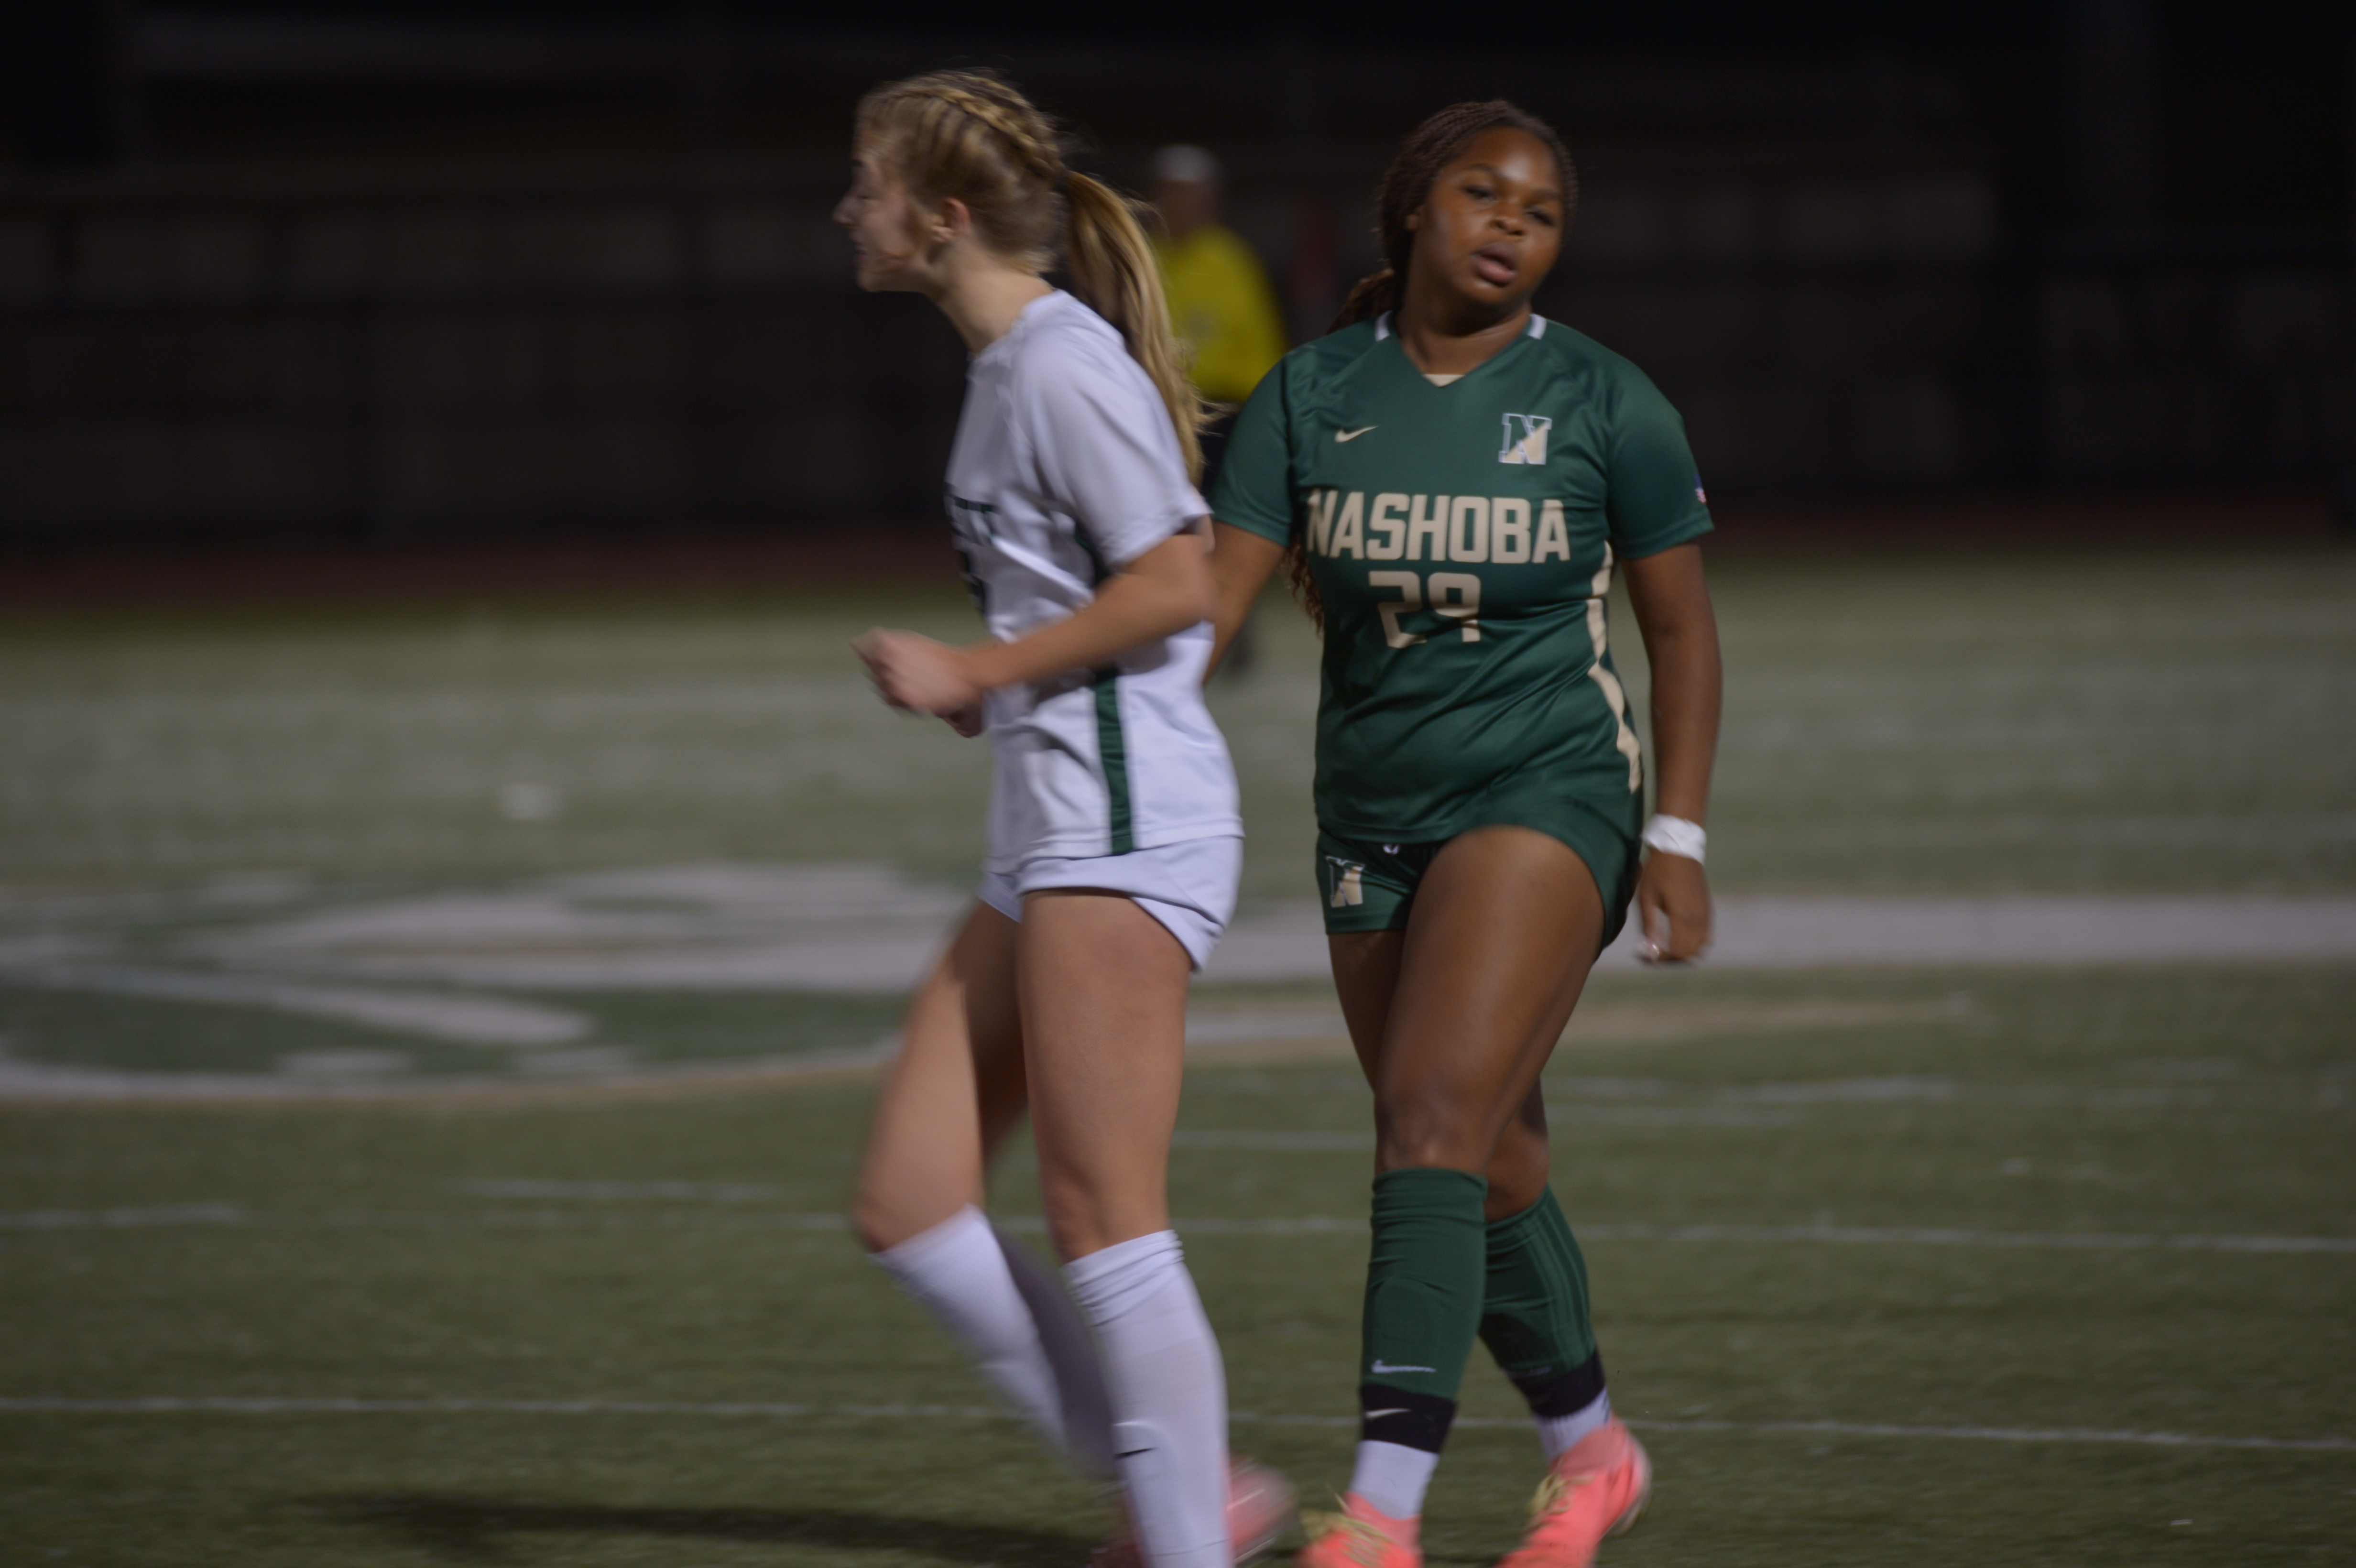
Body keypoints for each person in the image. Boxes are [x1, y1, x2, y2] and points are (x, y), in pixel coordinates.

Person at [1201, 101, 1723, 1568]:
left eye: (1541, 212)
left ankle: (1380, 1515)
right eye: (1484, 194)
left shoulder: (1604, 398)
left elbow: (1682, 633)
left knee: (1426, 1119)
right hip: (1369, 817)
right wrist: (1055, 680)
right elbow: (1206, 614)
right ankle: (1594, 1454)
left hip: (1549, 791)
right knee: (1484, 1163)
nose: (1511, 225)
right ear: (1414, 210)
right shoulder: (1307, 395)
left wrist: (1675, 834)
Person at [833, 69, 1291, 1568]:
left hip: (1122, 826)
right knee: (910, 1203)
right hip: (1048, 825)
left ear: (943, 216)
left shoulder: (1054, 362)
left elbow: (1177, 580)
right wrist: (1009, 683)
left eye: (868, 186)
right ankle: (1195, 1494)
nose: (847, 209)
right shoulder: (1005, 368)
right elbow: (1112, 583)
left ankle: (1187, 1533)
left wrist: (977, 667)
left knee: (1106, 1221)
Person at [1151, 144, 1289, 676]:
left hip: (1223, 415)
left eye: (1192, 195)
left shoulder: (1232, 261)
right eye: (1173, 194)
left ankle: (1230, 625)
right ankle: (1167, 622)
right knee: (1163, 526)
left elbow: (1258, 343)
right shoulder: (1144, 258)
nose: (1182, 205)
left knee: (1224, 526)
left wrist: (1266, 418)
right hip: (1160, 414)